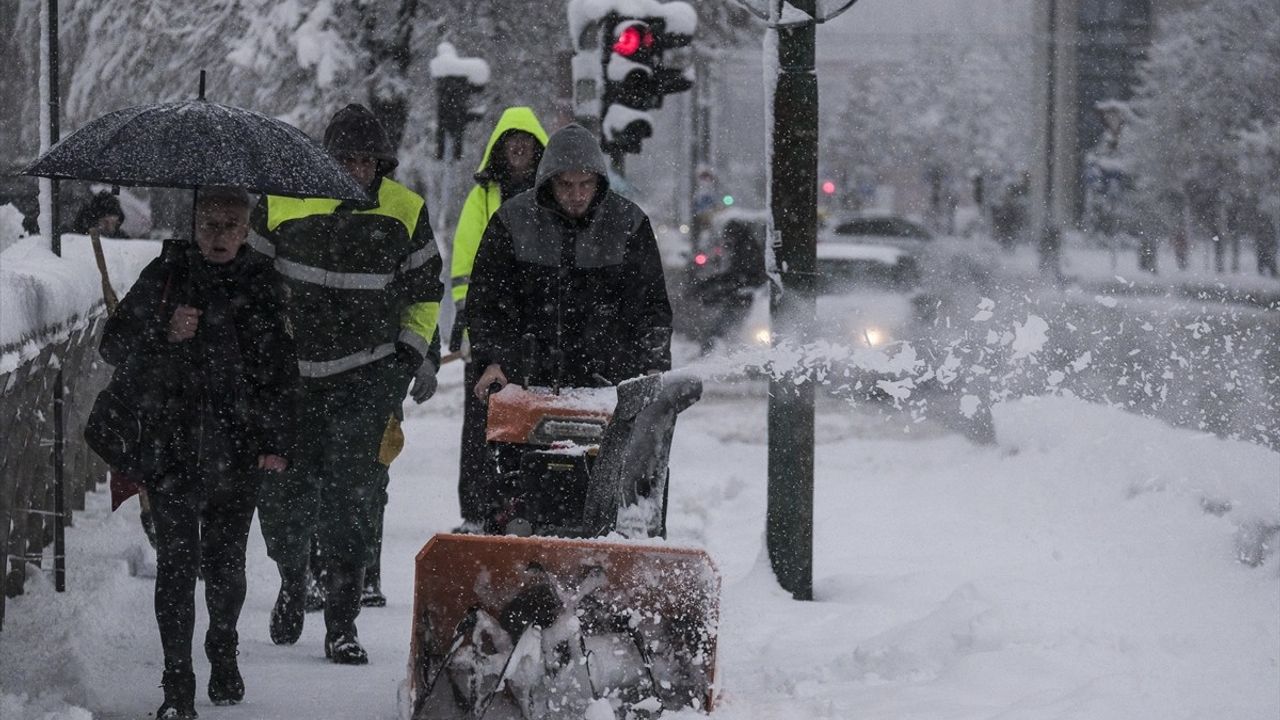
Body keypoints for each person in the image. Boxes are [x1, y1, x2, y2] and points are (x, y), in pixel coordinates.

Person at [250, 103, 443, 665]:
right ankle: (292, 577)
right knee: (283, 496)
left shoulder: (406, 209)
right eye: (346, 159)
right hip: (292, 380)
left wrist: (407, 356)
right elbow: (251, 280)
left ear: (382, 162)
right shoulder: (282, 200)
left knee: (352, 502)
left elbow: (425, 291)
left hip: (367, 376)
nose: (357, 170)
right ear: (325, 158)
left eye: (367, 161)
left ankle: (342, 622)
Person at [99, 186, 298, 718]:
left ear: (246, 229)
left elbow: (281, 371)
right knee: (177, 566)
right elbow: (112, 345)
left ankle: (223, 648)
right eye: (209, 223)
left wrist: (276, 442)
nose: (218, 236)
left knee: (227, 565)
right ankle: (176, 683)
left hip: (237, 450)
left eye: (230, 225)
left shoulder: (262, 283)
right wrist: (164, 331)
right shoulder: (166, 276)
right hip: (173, 447)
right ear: (193, 224)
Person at [467, 122, 673, 410]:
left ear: (598, 181)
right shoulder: (513, 222)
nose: (576, 195)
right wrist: (491, 361)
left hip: (609, 385)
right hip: (528, 382)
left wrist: (653, 365)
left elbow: (651, 304)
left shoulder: (628, 224)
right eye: (565, 184)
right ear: (550, 180)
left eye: (585, 184)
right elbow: (486, 300)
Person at [448, 106, 548, 533]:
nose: (519, 148)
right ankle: (477, 510)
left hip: (536, 329)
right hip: (491, 329)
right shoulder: (483, 198)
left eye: (526, 141)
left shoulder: (549, 195)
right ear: (500, 148)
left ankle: (522, 504)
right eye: (512, 141)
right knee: (482, 424)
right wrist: (465, 313)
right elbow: (466, 260)